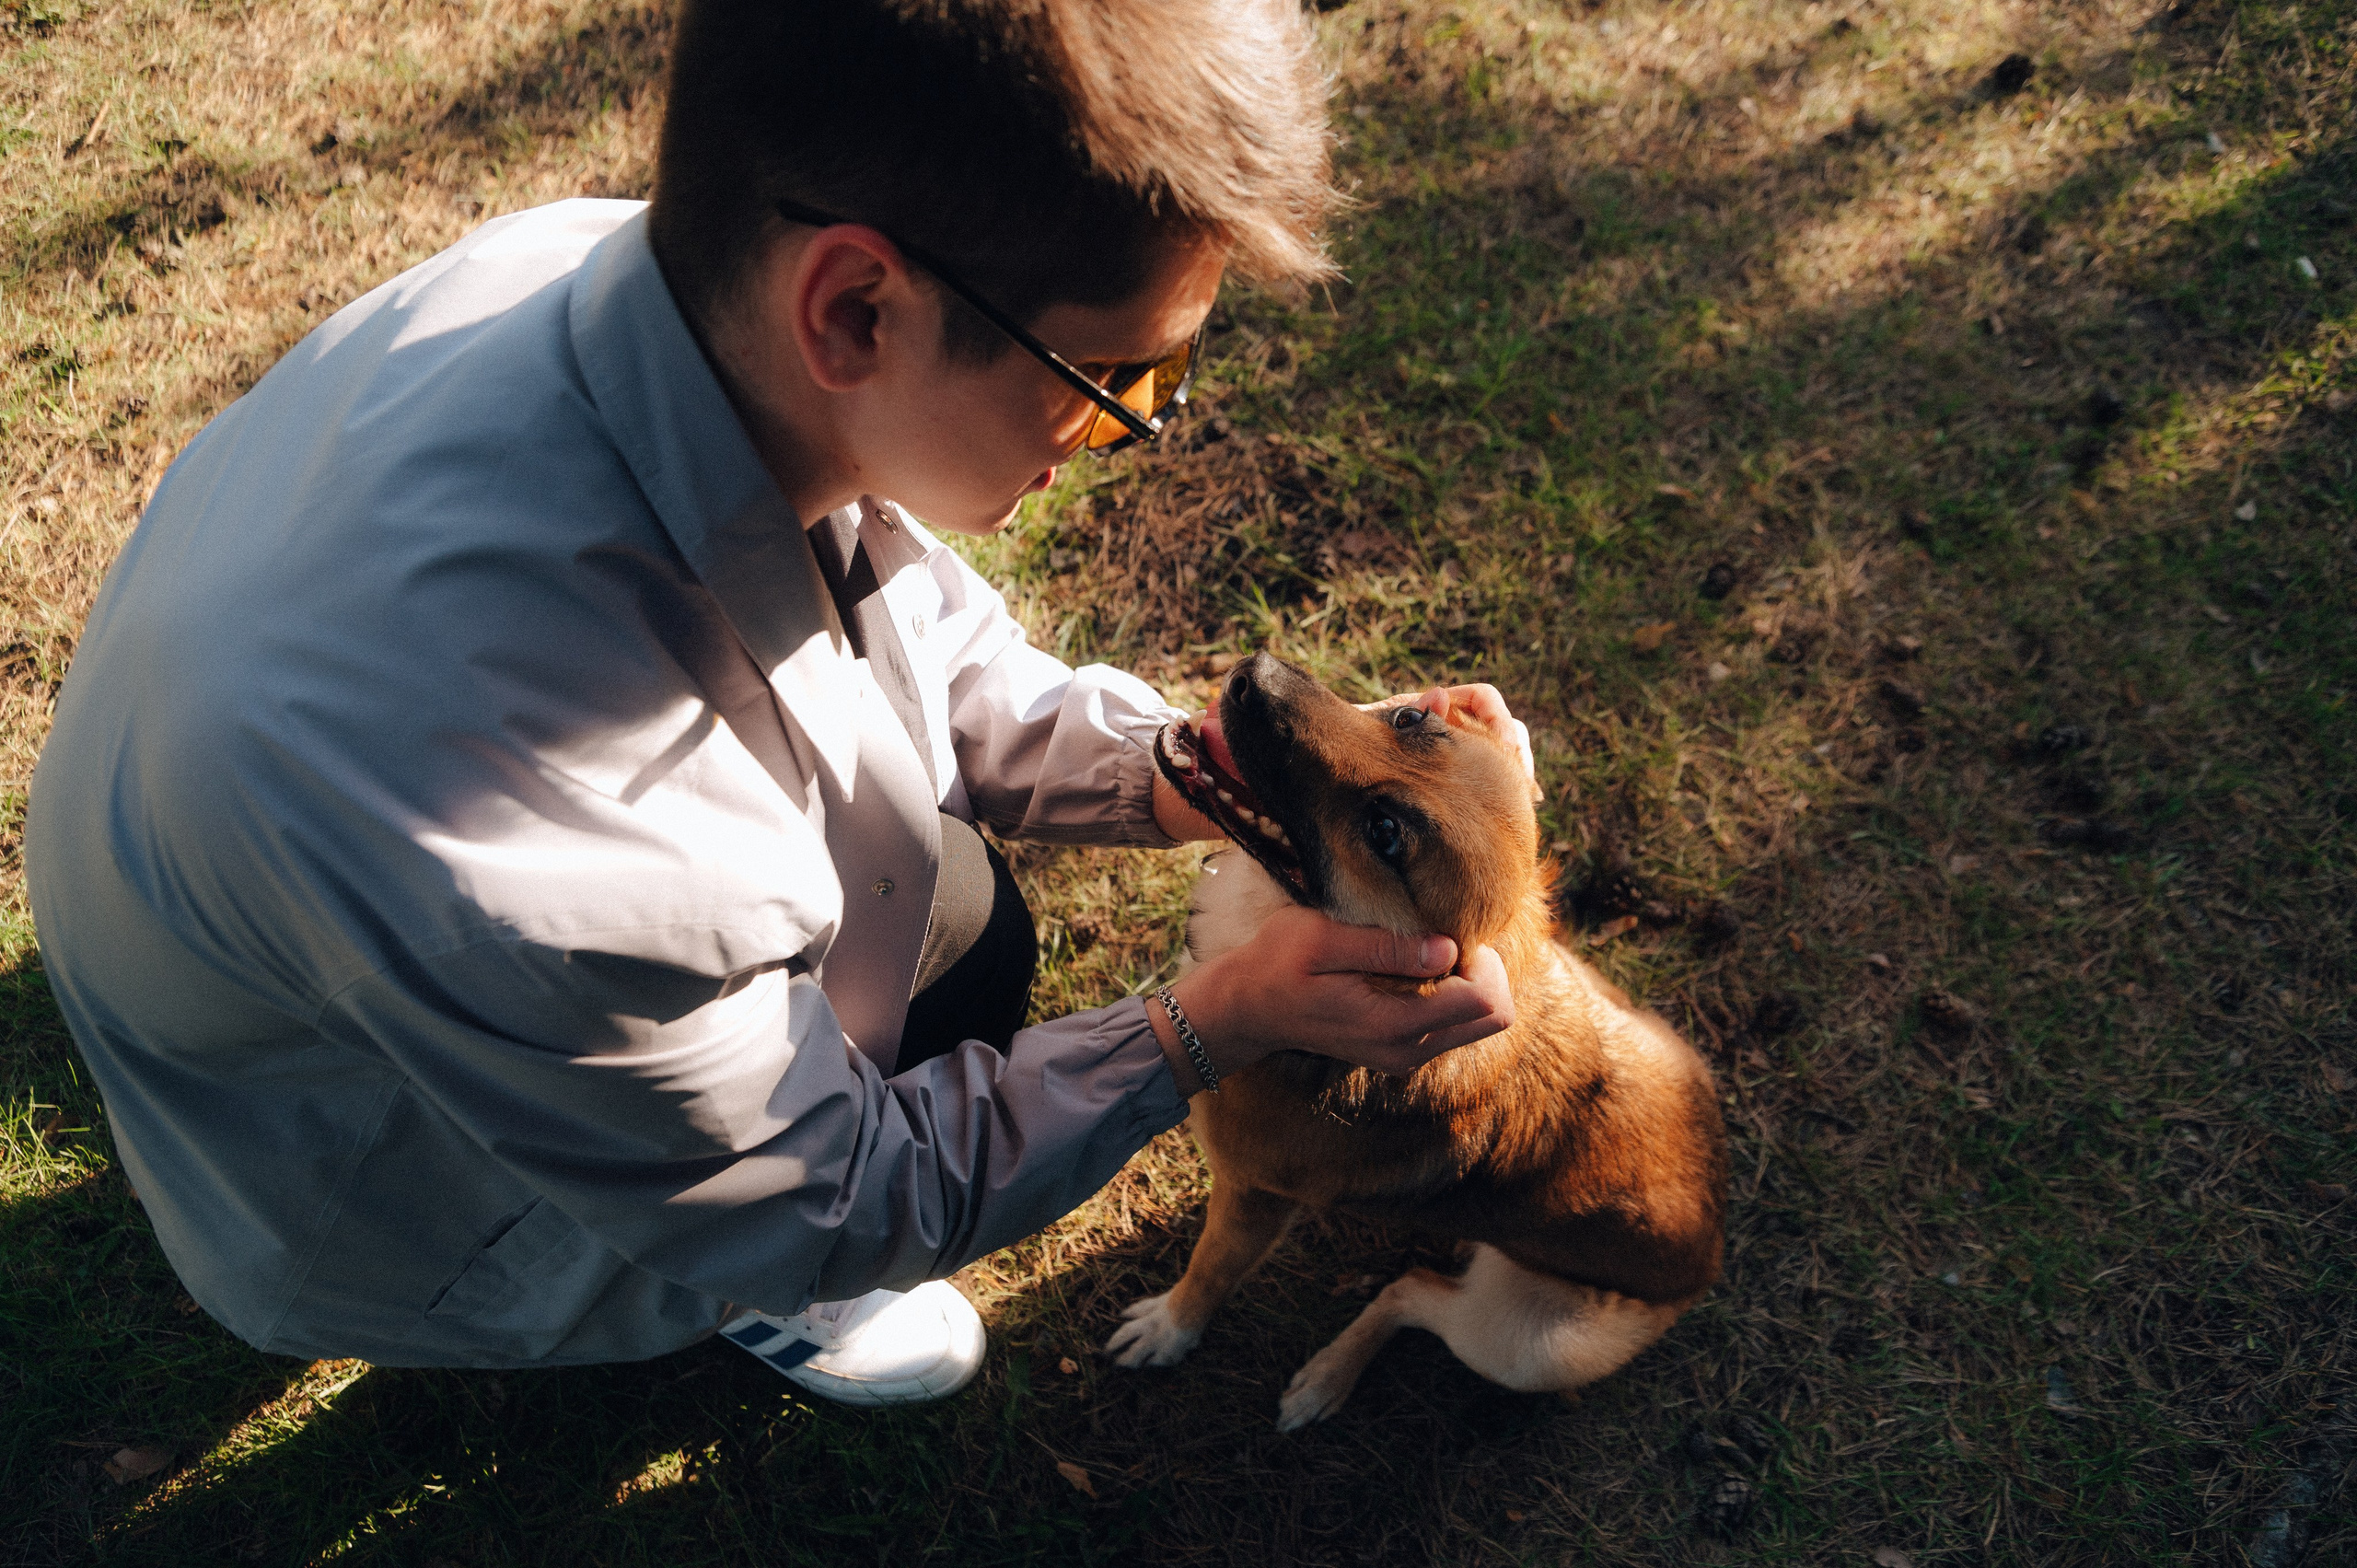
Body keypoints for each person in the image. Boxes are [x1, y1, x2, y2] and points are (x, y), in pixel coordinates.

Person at [25, 0, 1518, 1408]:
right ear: (859, 307)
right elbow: (844, 1196)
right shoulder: (540, 857)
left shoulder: (625, 284)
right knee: (905, 1022)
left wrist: (1175, 770)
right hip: (391, 1185)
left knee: (957, 920)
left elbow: (902, 607)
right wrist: (1209, 1026)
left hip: (318, 940)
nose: (1144, 427)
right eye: (1122, 371)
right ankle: (717, 1294)